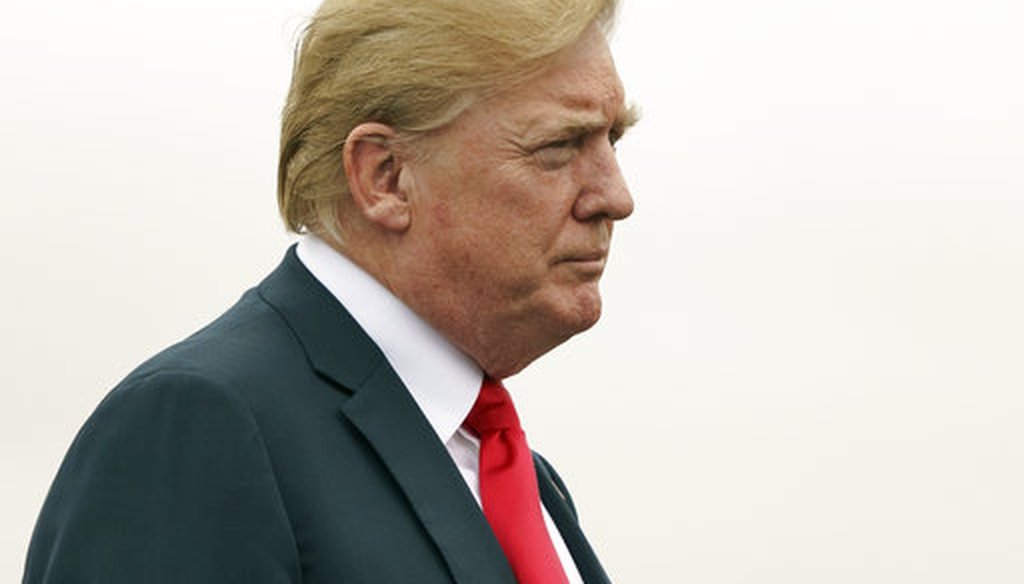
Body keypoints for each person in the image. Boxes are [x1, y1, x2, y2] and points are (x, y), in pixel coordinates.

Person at [24, 0, 635, 582]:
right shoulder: (200, 427)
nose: (615, 196)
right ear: (385, 178)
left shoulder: (518, 478)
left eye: (613, 141)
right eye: (559, 148)